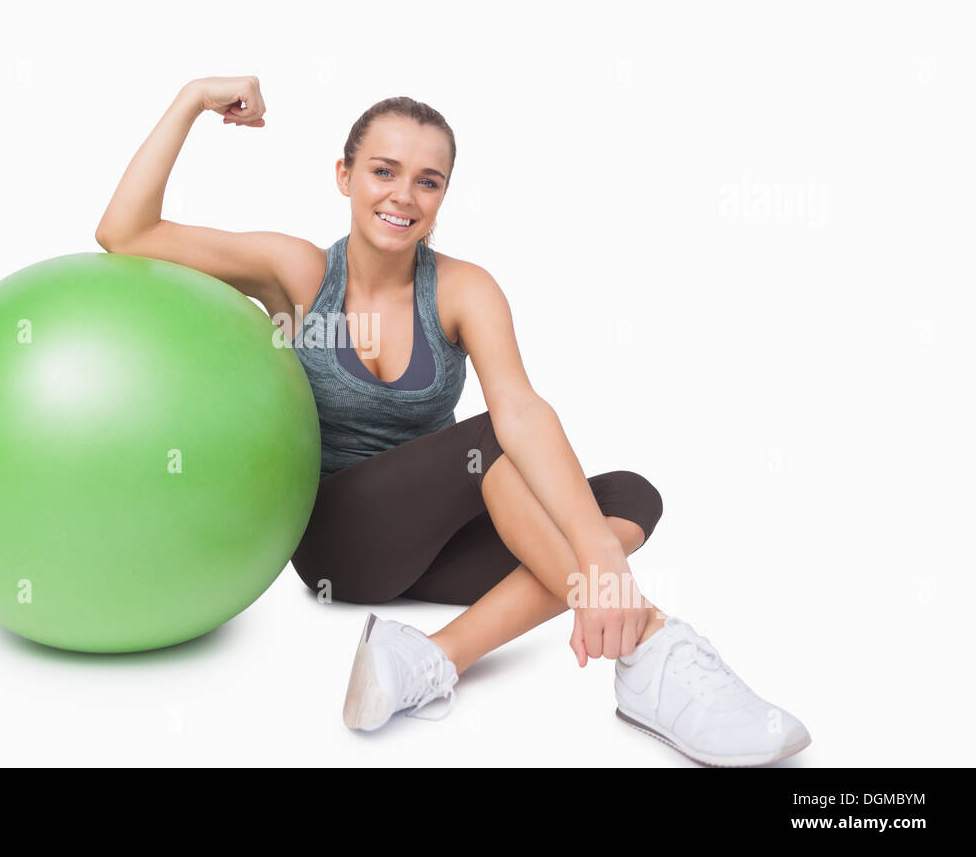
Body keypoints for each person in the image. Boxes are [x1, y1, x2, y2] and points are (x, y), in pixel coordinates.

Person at [96, 75, 812, 767]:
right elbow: (123, 231)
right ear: (344, 176)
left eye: (427, 181)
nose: (403, 196)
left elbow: (525, 409)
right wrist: (192, 98)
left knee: (628, 496)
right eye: (383, 171)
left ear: (443, 195)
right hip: (337, 547)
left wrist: (596, 551)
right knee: (495, 443)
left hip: (433, 545)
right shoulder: (300, 272)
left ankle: (430, 657)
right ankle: (650, 650)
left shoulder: (464, 289)